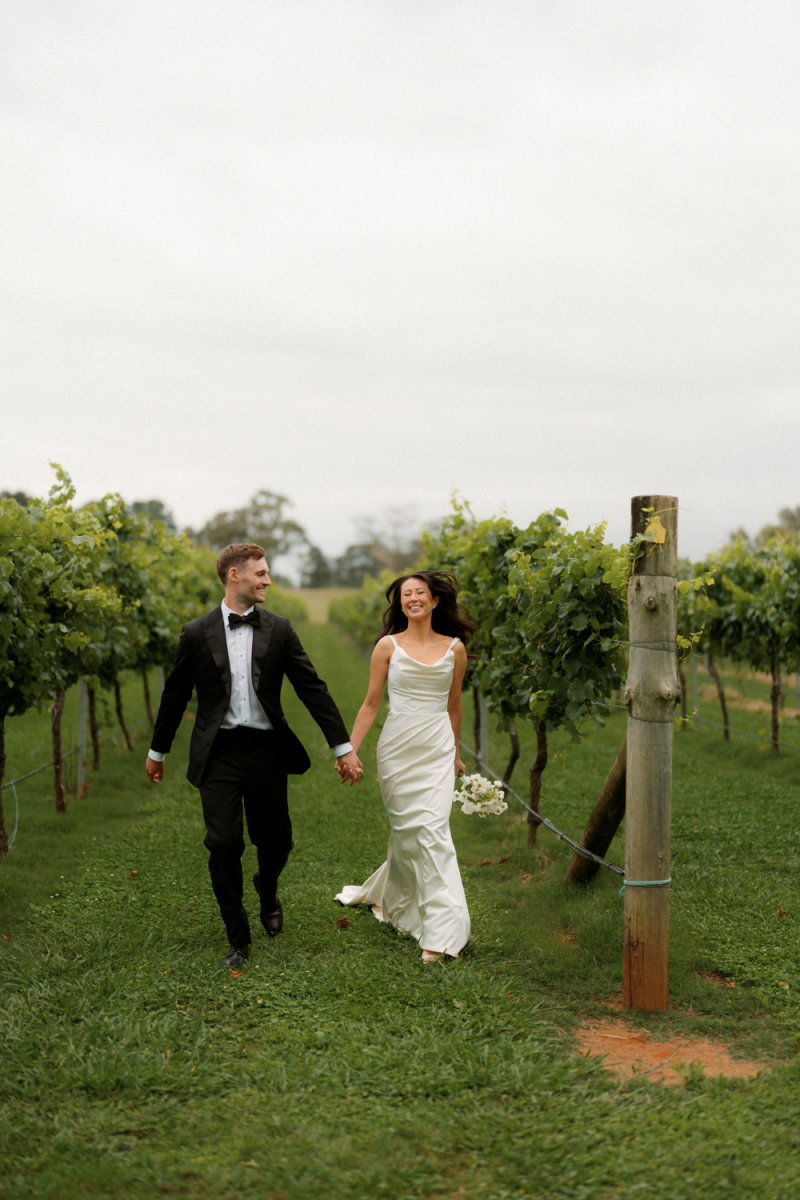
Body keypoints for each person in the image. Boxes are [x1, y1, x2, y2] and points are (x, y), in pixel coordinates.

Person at [145, 543, 362, 968]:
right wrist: (158, 752)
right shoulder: (196, 633)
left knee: (277, 841)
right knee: (224, 842)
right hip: (218, 751)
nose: (268, 580)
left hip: (266, 750)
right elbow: (175, 696)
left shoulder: (280, 629)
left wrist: (343, 748)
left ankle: (268, 888)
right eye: (260, 573)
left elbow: (312, 688)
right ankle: (237, 935)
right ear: (235, 575)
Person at [335, 570, 474, 963]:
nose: (412, 598)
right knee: (408, 833)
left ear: (434, 600)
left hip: (436, 748)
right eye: (405, 594)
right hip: (397, 750)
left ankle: (442, 933)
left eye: (420, 592)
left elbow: (454, 707)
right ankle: (396, 900)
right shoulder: (387, 646)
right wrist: (349, 751)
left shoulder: (455, 649)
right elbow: (370, 703)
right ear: (400, 604)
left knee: (432, 831)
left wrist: (455, 753)